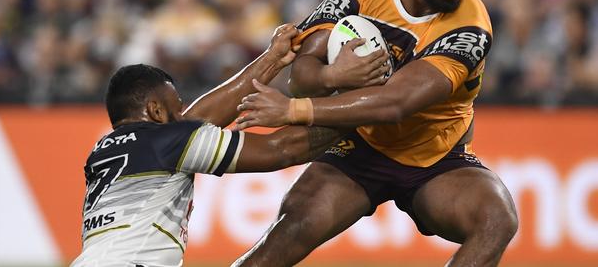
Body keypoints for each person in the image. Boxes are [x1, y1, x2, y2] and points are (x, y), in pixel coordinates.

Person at [233, 0, 518, 267]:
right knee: (282, 240)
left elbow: (396, 103)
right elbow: (301, 75)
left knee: (497, 219)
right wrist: (331, 78)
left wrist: (291, 110)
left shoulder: (471, 27)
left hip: (436, 159)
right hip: (359, 145)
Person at [70, 24, 389, 267]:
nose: (184, 114)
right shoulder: (167, 142)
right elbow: (282, 149)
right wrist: (361, 106)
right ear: (155, 110)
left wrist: (273, 59)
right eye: (176, 106)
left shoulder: (106, 148)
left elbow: (197, 119)